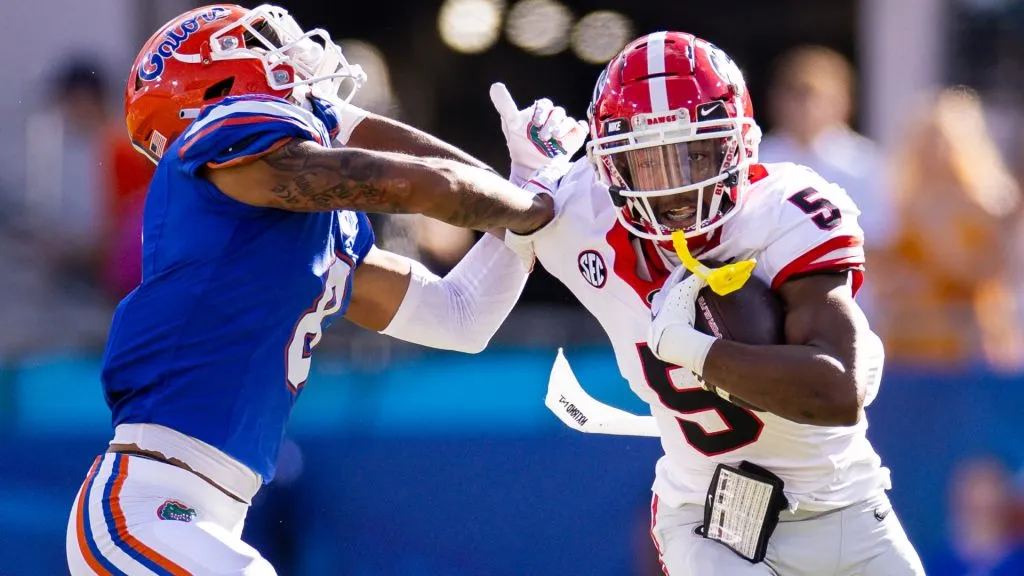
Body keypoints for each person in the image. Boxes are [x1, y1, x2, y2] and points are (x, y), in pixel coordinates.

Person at [65, 4, 587, 574]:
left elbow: (462, 317)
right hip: (140, 510)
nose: (289, 53)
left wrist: (525, 183)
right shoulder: (217, 148)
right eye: (258, 43)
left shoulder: (305, 230)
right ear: (213, 85)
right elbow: (409, 182)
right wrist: (537, 205)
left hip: (196, 513)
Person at [502, 31, 924, 574]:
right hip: (711, 514)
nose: (673, 186)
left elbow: (837, 388)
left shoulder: (781, 208)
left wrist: (695, 352)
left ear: (736, 144)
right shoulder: (572, 209)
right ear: (610, 165)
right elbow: (464, 264)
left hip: (842, 497)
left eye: (693, 154)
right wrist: (511, 180)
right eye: (649, 162)